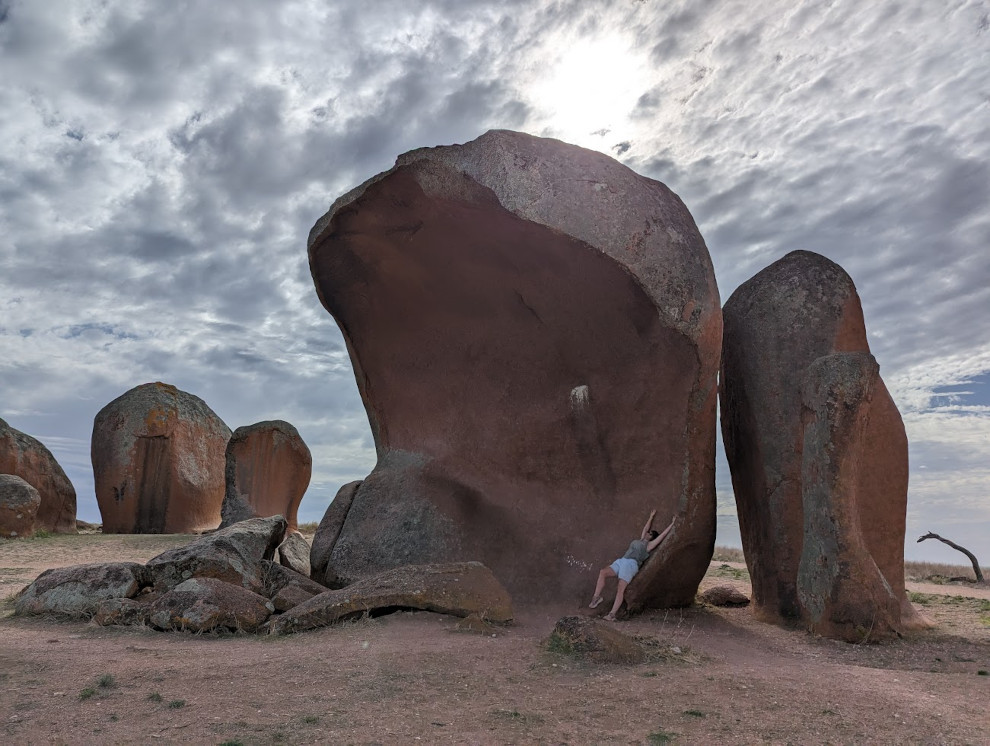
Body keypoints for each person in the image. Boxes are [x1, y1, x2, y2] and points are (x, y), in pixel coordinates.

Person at [588, 510, 676, 621]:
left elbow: (662, 536)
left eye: (651, 534)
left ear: (652, 538)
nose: (649, 533)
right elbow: (645, 528)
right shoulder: (641, 539)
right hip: (622, 561)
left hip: (631, 565)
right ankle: (596, 598)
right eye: (649, 532)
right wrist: (651, 516)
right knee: (603, 572)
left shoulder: (648, 546)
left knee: (620, 588)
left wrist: (672, 524)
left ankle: (612, 615)